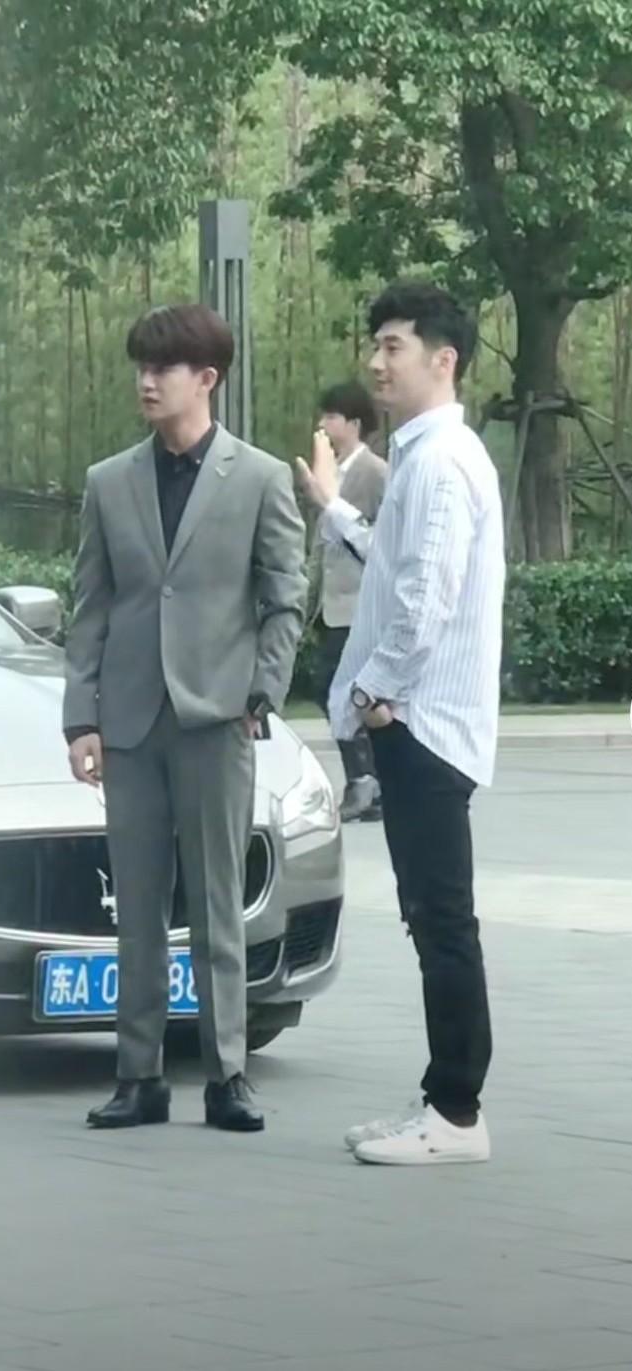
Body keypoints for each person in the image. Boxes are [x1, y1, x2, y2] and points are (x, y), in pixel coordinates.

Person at [63, 303, 307, 1134]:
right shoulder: (108, 481)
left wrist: (259, 692)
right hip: (130, 722)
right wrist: (80, 718)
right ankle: (138, 1075)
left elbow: (285, 597)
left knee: (215, 902)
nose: (146, 380)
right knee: (136, 906)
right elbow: (90, 607)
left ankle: (227, 1073)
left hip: (217, 719)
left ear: (206, 378)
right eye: (140, 366)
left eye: (161, 368)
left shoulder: (260, 478)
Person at [306, 281, 505, 1165]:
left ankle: (455, 1114)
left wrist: (372, 693)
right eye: (375, 345)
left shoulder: (440, 460)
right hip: (416, 719)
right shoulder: (427, 455)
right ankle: (441, 1100)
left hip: (422, 723)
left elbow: (425, 596)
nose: (375, 362)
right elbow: (395, 562)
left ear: (442, 358)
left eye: (393, 346)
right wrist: (333, 508)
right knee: (431, 916)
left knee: (441, 918)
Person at [297, 382, 387, 822]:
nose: (323, 425)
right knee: (333, 690)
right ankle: (369, 780)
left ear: (353, 424)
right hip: (329, 607)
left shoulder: (376, 473)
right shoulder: (327, 472)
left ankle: (366, 780)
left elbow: (381, 544)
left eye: (331, 417)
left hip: (359, 606)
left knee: (345, 691)